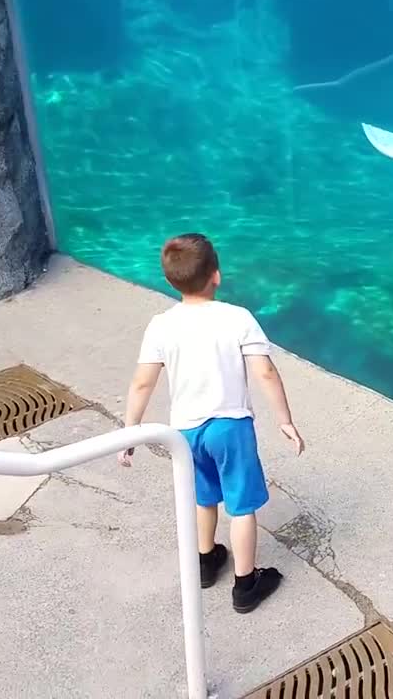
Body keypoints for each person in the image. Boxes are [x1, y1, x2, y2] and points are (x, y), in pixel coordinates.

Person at [119, 232, 306, 614]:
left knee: (204, 496)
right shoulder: (237, 319)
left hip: (185, 432)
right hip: (230, 427)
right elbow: (266, 373)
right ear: (216, 276)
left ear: (169, 280)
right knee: (240, 505)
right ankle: (245, 583)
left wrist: (130, 431)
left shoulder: (160, 325)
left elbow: (142, 382)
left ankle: (205, 562)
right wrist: (285, 419)